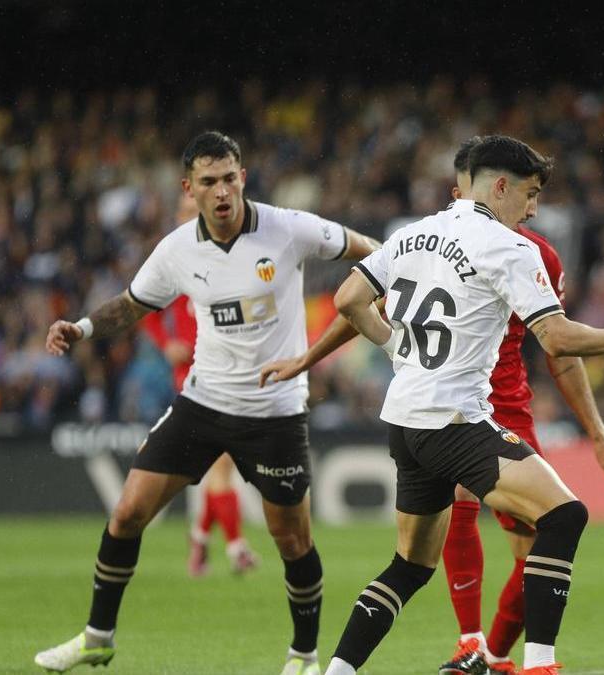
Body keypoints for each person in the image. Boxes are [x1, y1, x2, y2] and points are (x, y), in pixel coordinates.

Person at [259, 137, 604, 674]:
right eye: (529, 195)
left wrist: (391, 345)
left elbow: (348, 300)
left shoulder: (411, 234)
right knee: (564, 515)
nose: (533, 209)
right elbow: (556, 340)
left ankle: (341, 670)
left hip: (407, 418)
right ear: (497, 187)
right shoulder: (514, 248)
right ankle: (535, 665)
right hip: (460, 416)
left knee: (410, 565)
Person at [34, 131, 380, 675]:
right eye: (208, 182)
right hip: (204, 402)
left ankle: (304, 656)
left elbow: (370, 251)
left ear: (242, 177)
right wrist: (79, 327)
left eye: (229, 179)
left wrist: (389, 283)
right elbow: (129, 306)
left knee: (292, 538)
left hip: (276, 411)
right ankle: (97, 637)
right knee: (126, 513)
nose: (221, 192)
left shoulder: (287, 228)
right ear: (188, 188)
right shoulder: (176, 250)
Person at [139, 192, 259, 578]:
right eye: (189, 212)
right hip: (194, 374)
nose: (197, 218)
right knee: (221, 461)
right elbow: (145, 310)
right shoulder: (175, 258)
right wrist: (166, 344)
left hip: (228, 369)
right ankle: (236, 546)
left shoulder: (224, 255)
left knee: (216, 461)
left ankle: (201, 539)